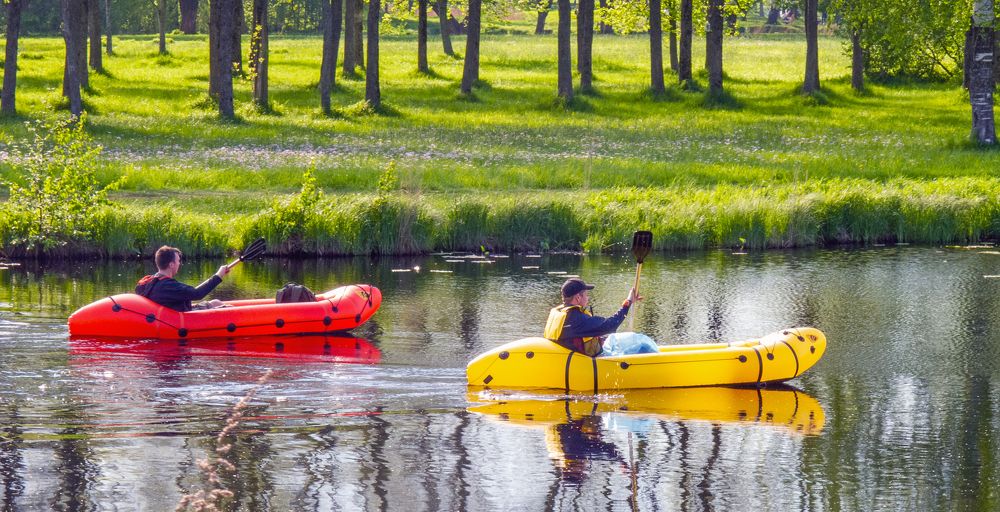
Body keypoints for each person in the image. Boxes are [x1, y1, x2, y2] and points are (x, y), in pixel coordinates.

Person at [544, 277, 640, 357]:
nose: (588, 298)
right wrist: (628, 302)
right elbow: (611, 324)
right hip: (581, 367)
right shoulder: (577, 319)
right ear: (578, 298)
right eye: (586, 295)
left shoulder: (558, 313)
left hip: (564, 362)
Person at [135, 245, 231, 311]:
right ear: (171, 265)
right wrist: (218, 275)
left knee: (215, 302)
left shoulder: (149, 282)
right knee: (226, 307)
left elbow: (193, 292)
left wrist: (217, 275)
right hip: (179, 320)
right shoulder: (168, 286)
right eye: (178, 261)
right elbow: (197, 294)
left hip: (172, 313)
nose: (179, 264)